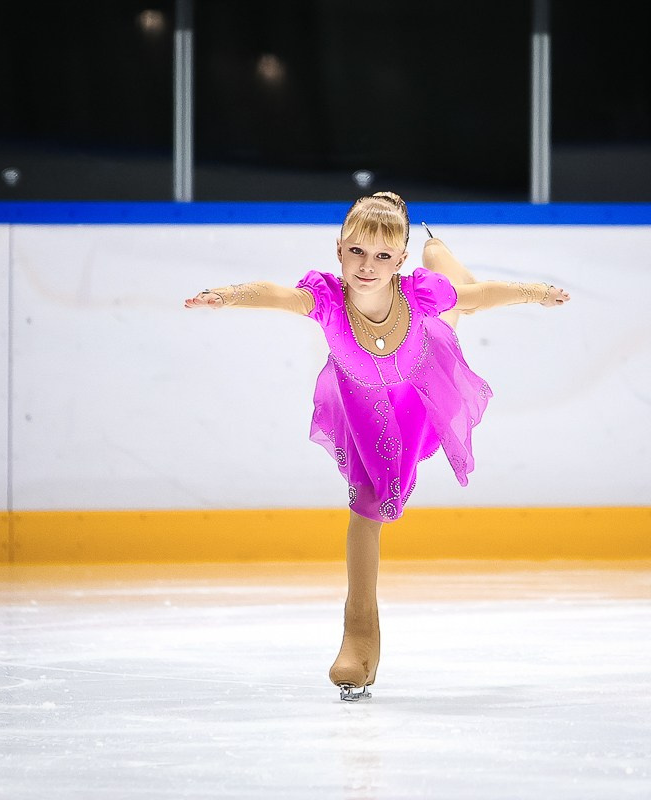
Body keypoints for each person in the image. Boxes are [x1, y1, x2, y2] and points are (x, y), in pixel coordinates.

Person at [184, 192, 569, 700]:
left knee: (457, 308)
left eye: (384, 256)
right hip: (364, 403)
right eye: (357, 252)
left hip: (421, 376)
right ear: (339, 249)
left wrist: (535, 292)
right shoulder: (324, 298)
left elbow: (481, 297)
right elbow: (276, 295)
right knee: (367, 505)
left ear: (400, 262)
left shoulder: (419, 293)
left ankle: (440, 255)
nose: (368, 266)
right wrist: (229, 295)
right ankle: (359, 637)